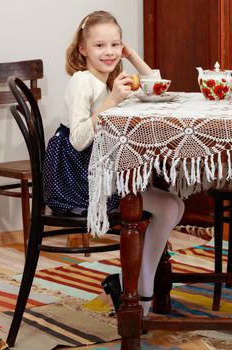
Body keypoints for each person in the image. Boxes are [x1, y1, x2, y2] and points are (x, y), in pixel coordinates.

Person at [43, 10, 185, 316]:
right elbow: (78, 140)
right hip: (80, 178)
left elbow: (157, 86)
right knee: (170, 207)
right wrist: (112, 103)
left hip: (100, 170)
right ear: (82, 49)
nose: (108, 52)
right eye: (99, 46)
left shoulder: (106, 78)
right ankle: (140, 293)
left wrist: (130, 54)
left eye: (115, 45)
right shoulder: (83, 81)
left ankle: (131, 285)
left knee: (174, 205)